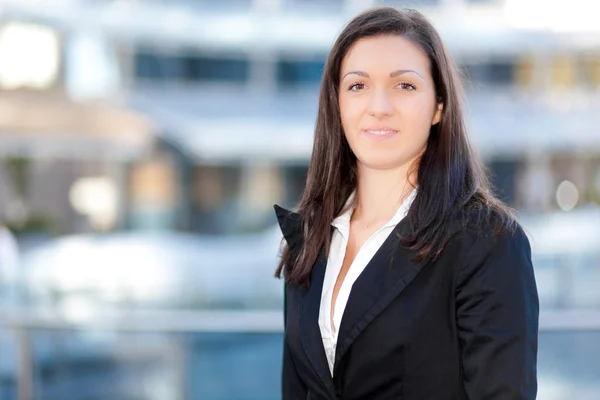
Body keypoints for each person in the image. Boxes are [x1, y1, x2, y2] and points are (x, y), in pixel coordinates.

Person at [273, 6, 538, 400]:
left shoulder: (488, 242)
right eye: (358, 86)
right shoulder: (310, 239)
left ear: (438, 106)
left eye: (404, 86)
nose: (378, 106)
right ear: (337, 103)